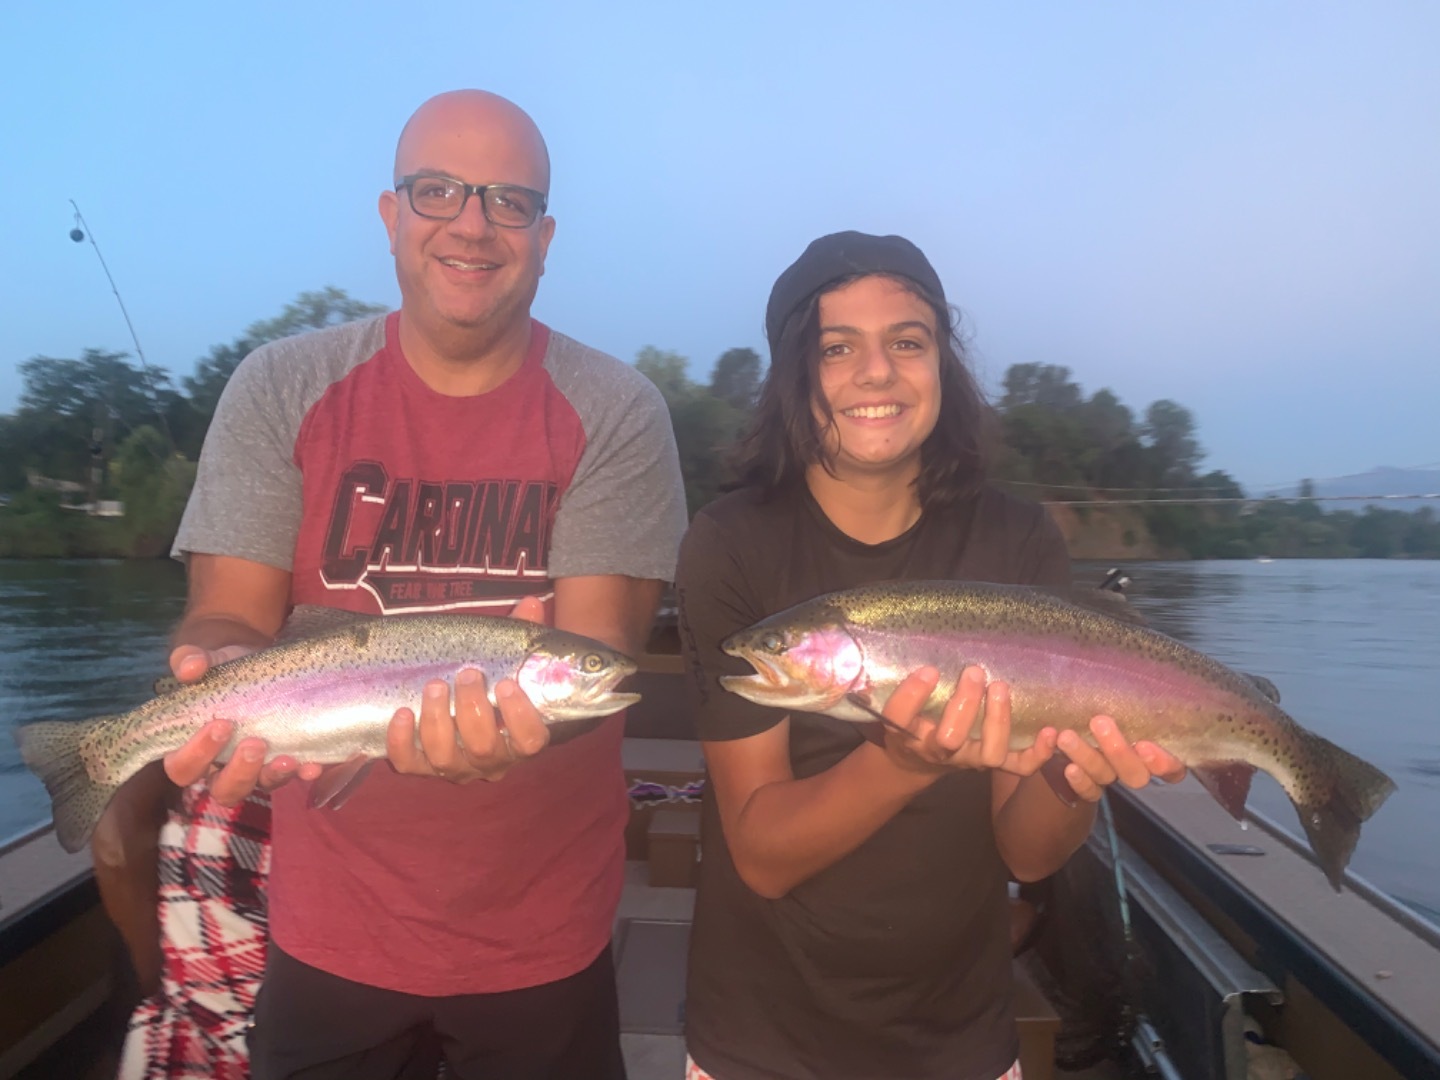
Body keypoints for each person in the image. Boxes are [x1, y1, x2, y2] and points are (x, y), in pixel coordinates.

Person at [96, 88, 688, 1080]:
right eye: (438, 190)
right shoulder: (281, 385)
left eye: (508, 201)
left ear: (545, 238)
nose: (471, 222)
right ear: (390, 215)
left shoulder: (616, 409)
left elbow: (599, 662)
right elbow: (229, 613)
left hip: (542, 935)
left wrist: (522, 725)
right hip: (326, 927)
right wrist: (226, 663)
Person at [675, 231, 1186, 1080]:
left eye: (907, 342)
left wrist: (1075, 776)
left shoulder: (1017, 538)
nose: (876, 372)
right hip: (760, 1041)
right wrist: (905, 761)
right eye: (837, 348)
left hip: (961, 1040)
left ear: (942, 365)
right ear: (793, 376)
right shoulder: (728, 545)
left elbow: (1027, 853)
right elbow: (760, 857)